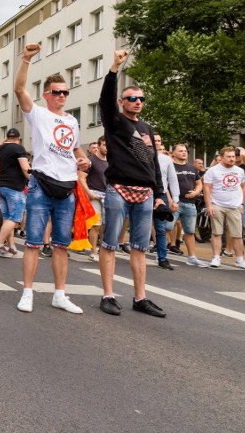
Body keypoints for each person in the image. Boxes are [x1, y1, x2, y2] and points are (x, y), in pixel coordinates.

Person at [13, 45, 88, 313]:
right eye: (57, 92)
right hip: (41, 184)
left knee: (61, 245)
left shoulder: (72, 121)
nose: (62, 96)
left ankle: (60, 294)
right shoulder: (39, 114)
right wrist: (26, 59)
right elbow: (20, 89)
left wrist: (84, 158)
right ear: (46, 95)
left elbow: (74, 147)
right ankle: (28, 292)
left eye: (65, 92)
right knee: (33, 241)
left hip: (67, 186)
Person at [98, 49, 167, 317]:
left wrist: (159, 193)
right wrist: (115, 67)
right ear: (122, 101)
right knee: (111, 243)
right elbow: (105, 100)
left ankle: (140, 298)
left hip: (146, 193)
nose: (137, 102)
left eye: (141, 98)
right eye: (132, 98)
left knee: (140, 247)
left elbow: (154, 163)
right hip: (118, 189)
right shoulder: (114, 122)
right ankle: (108, 295)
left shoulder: (147, 128)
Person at [203, 147, 245, 270]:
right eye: (229, 157)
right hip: (217, 203)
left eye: (233, 157)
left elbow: (243, 187)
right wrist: (209, 205)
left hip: (234, 205)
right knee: (217, 232)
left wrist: (241, 203)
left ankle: (240, 259)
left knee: (237, 234)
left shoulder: (239, 171)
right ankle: (216, 257)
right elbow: (207, 188)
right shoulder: (213, 171)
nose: (232, 159)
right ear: (221, 157)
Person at [0, 128, 29, 258]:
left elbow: (0, 144)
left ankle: (11, 246)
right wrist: (34, 180)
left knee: (7, 219)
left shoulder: (0, 149)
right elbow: (25, 168)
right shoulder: (19, 148)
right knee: (15, 218)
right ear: (18, 139)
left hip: (2, 186)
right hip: (15, 187)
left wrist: (6, 141)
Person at [170, 144, 208, 266]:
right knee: (167, 228)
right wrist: (170, 201)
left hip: (190, 204)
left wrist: (196, 192)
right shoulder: (170, 167)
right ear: (173, 153)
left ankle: (192, 257)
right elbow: (164, 185)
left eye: (185, 151)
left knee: (190, 231)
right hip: (175, 202)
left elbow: (199, 183)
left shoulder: (192, 168)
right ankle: (162, 253)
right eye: (180, 151)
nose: (184, 153)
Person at [153, 134, 180, 270]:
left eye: (159, 140)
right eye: (154, 140)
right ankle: (136, 254)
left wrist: (175, 199)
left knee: (161, 228)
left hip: (161, 195)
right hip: (143, 194)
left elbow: (172, 179)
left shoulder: (166, 159)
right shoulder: (139, 156)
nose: (157, 143)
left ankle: (162, 258)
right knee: (141, 227)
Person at [79, 136, 108, 262]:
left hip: (108, 195)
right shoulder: (91, 161)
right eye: (104, 145)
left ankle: (104, 251)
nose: (107, 148)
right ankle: (93, 251)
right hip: (95, 195)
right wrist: (89, 193)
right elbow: (81, 177)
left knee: (105, 226)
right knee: (96, 225)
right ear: (99, 145)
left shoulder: (110, 161)